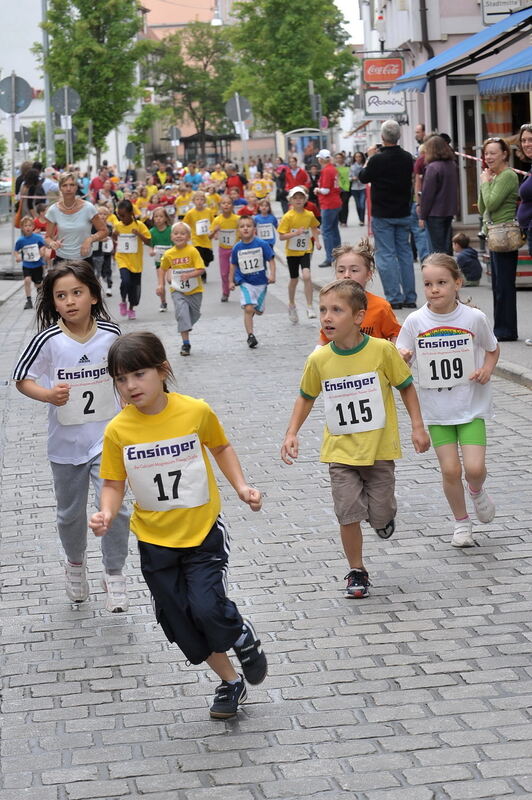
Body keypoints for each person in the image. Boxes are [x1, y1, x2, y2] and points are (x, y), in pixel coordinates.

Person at [88, 331, 267, 720]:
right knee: (177, 618)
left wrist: (241, 486)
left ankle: (239, 633)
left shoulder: (194, 411)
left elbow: (220, 446)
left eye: (138, 374)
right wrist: (105, 511)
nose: (130, 386)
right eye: (120, 379)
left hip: (201, 532)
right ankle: (230, 682)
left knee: (206, 606)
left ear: (162, 370)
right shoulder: (118, 429)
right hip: (154, 541)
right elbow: (114, 482)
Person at [281, 279, 429, 598]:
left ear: (359, 317)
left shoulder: (381, 350)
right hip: (340, 452)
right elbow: (306, 396)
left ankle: (383, 519)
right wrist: (292, 432)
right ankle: (356, 570)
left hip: (379, 451)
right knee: (348, 513)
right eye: (323, 310)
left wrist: (418, 426)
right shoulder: (319, 359)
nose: (327, 317)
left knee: (380, 513)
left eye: (337, 310)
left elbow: (405, 386)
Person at [13, 261, 130, 612]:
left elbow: (126, 375)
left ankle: (115, 574)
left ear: (93, 295)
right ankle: (75, 565)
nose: (69, 301)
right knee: (70, 514)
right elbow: (22, 378)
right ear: (53, 302)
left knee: (115, 509)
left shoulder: (112, 334)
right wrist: (48, 395)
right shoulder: (48, 340)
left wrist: (128, 402)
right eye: (60, 295)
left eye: (77, 292)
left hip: (106, 440)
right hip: (65, 446)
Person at [397, 253, 499, 547]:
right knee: (450, 470)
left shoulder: (473, 318)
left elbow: (492, 349)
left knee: (475, 469)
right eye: (428, 284)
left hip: (470, 407)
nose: (434, 289)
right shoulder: (416, 321)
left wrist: (487, 370)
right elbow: (400, 359)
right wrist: (403, 358)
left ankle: (477, 492)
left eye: (441, 282)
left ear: (457, 283)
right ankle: (461, 523)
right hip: (438, 411)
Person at [359, 120, 416, 310]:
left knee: (386, 255)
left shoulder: (377, 159)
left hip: (383, 213)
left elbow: (363, 177)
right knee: (405, 253)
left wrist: (369, 157)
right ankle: (410, 296)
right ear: (398, 136)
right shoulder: (407, 157)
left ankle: (394, 297)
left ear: (383, 138)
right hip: (403, 211)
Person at [317, 241, 401, 345]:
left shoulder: (381, 307)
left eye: (354, 270)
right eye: (341, 271)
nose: (347, 275)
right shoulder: (330, 304)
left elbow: (395, 334)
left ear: (368, 274)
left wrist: (394, 354)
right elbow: (324, 339)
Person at [478, 137, 520, 342]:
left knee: (504, 285)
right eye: (486, 153)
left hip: (504, 234)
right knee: (497, 285)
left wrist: (485, 184)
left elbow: (492, 204)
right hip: (493, 233)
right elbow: (482, 205)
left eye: (493, 153)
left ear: (504, 154)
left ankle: (506, 330)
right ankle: (501, 328)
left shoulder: (508, 176)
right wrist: (484, 183)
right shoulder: (493, 177)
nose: (488, 157)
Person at [159, 221, 206, 356]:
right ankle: (186, 344)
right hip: (177, 289)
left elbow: (201, 269)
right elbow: (163, 269)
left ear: (189, 236)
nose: (179, 236)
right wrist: (160, 284)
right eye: (176, 233)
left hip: (195, 290)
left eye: (182, 233)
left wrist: (189, 275)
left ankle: (186, 324)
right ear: (171, 236)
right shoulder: (169, 253)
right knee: (181, 312)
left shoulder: (192, 251)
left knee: (194, 314)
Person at [229, 216, 276, 348]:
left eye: (248, 226)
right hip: (245, 282)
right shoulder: (237, 247)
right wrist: (231, 281)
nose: (245, 228)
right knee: (248, 308)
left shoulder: (262, 244)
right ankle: (250, 336)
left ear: (254, 229)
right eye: (242, 226)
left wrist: (272, 275)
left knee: (258, 311)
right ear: (238, 230)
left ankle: (254, 310)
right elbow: (233, 265)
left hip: (261, 282)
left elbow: (271, 260)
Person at [278, 186, 321, 322]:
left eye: (301, 198)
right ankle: (291, 304)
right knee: (294, 279)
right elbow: (281, 236)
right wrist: (295, 233)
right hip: (292, 252)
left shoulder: (309, 214)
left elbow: (314, 227)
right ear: (290, 200)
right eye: (295, 198)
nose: (298, 200)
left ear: (305, 199)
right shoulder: (288, 216)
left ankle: (310, 306)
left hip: (306, 250)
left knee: (307, 276)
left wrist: (317, 241)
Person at [45, 172, 108, 263]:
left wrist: (90, 239)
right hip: (62, 259)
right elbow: (48, 237)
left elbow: (104, 231)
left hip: (84, 259)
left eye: (72, 185)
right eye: (65, 185)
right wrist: (52, 243)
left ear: (76, 187)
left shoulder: (88, 208)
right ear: (60, 188)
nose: (68, 188)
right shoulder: (53, 210)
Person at [418, 135, 458, 255]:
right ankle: (448, 271)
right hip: (449, 210)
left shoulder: (432, 167)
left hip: (435, 212)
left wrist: (422, 215)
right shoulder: (452, 165)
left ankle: (439, 272)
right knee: (446, 247)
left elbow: (427, 195)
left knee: (436, 249)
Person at [113, 199, 151, 320]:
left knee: (134, 288)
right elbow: (114, 236)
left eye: (123, 216)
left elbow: (149, 241)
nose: (121, 218)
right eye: (119, 216)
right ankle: (123, 300)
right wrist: (114, 236)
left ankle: (131, 308)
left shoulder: (139, 225)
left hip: (136, 261)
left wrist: (138, 234)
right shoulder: (118, 225)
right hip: (122, 258)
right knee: (125, 281)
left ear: (131, 213)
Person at [314, 149, 342, 268]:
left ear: (321, 159)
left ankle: (330, 257)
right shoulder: (333, 169)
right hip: (336, 201)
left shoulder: (326, 171)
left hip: (328, 203)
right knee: (334, 229)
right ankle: (338, 255)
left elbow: (326, 190)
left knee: (326, 231)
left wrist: (317, 190)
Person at [210, 195, 240, 302]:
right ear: (220, 206)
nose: (226, 205)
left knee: (238, 270)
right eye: (223, 203)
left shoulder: (237, 219)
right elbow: (209, 236)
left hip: (236, 248)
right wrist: (215, 231)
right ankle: (225, 293)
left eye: (229, 203)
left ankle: (237, 281)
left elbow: (244, 231)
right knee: (224, 273)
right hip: (223, 249)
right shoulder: (217, 220)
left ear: (232, 206)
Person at [14, 216, 47, 309]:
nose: (27, 227)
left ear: (33, 227)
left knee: (38, 284)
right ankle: (29, 301)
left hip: (37, 264)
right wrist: (17, 257)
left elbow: (43, 246)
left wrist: (42, 251)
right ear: (22, 228)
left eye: (29, 225)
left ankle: (41, 298)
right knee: (27, 280)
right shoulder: (21, 240)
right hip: (27, 264)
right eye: (25, 226)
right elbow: (16, 250)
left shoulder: (38, 237)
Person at [183, 191, 215, 281]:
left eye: (201, 199)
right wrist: (184, 234)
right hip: (196, 239)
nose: (199, 201)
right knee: (199, 255)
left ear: (204, 201)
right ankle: (202, 272)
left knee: (208, 258)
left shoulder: (208, 211)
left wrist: (214, 232)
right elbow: (185, 224)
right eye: (197, 199)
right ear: (193, 201)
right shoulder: (190, 213)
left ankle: (204, 266)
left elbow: (213, 223)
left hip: (207, 239)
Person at [149, 207, 173, 312]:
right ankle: (163, 302)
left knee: (170, 279)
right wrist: (151, 251)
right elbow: (151, 245)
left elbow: (176, 243)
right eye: (156, 216)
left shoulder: (171, 230)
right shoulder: (152, 231)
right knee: (161, 284)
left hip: (171, 262)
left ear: (166, 218)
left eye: (161, 216)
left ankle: (179, 297)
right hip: (159, 262)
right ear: (153, 218)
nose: (158, 219)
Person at [91, 206, 114, 297]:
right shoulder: (92, 226)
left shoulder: (109, 226)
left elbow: (111, 236)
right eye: (100, 214)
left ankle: (109, 287)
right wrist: (99, 239)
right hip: (95, 252)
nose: (102, 216)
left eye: (105, 214)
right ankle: (95, 288)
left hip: (106, 252)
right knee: (95, 272)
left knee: (107, 269)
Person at [349, 152, 366, 226]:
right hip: (354, 188)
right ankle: (360, 219)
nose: (358, 158)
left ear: (362, 157)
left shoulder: (365, 166)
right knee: (358, 205)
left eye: (360, 156)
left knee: (362, 204)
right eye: (356, 157)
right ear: (354, 158)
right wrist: (352, 178)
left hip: (363, 187)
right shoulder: (352, 167)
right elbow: (348, 178)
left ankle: (362, 220)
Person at [335, 153, 351, 226]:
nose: (339, 159)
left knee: (344, 204)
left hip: (345, 188)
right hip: (337, 189)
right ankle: (340, 220)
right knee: (338, 205)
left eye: (340, 157)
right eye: (337, 158)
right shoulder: (334, 167)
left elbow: (350, 175)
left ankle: (344, 221)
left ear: (343, 158)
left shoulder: (347, 166)